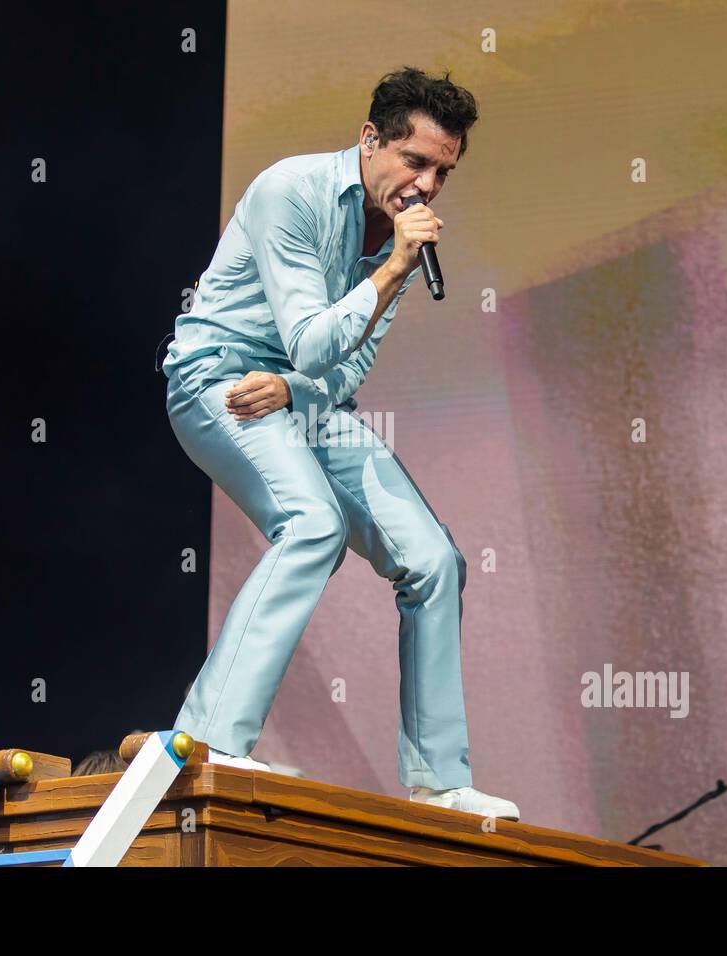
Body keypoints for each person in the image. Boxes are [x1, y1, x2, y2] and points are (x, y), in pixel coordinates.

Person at [160, 67, 518, 820]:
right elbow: (309, 337)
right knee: (314, 523)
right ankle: (209, 738)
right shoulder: (289, 191)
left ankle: (439, 779)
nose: (426, 186)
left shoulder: (405, 241)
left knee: (434, 561)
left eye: (443, 172)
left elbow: (344, 363)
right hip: (218, 381)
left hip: (305, 399)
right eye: (414, 162)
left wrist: (298, 389)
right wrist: (388, 272)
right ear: (369, 139)